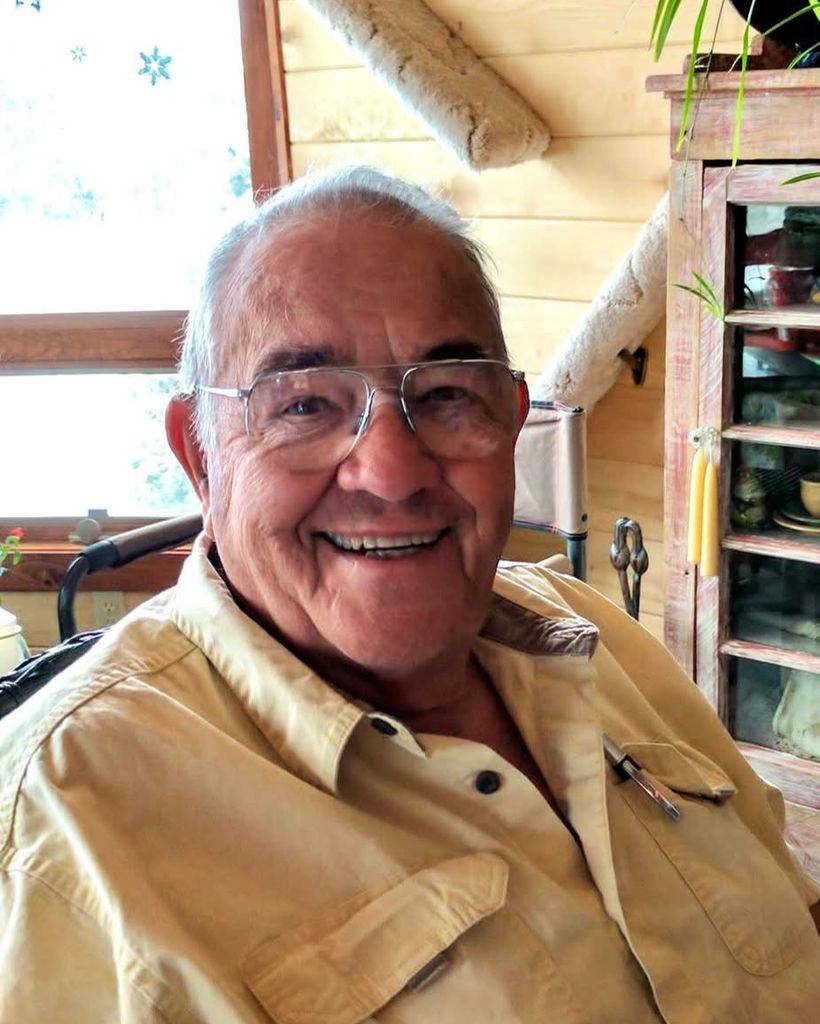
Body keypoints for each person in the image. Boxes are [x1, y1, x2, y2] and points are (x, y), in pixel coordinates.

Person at [0, 166, 818, 1023]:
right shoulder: (55, 839)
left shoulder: (591, 630)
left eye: (447, 393)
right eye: (304, 404)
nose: (391, 473)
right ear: (201, 457)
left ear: (509, 423)